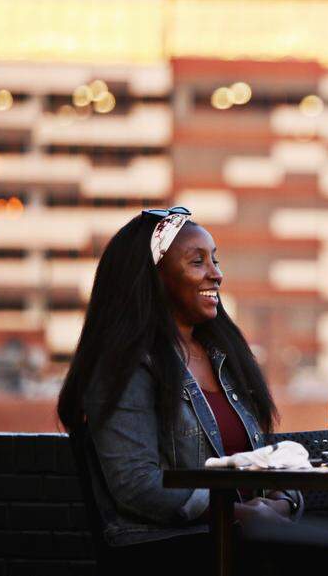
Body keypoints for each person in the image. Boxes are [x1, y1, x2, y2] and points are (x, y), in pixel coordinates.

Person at [56, 207, 302, 565]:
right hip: (172, 547)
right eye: (197, 262)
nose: (216, 274)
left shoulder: (225, 357)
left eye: (215, 260)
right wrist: (237, 515)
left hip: (240, 539)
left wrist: (282, 502)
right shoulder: (124, 363)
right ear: (153, 276)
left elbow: (259, 457)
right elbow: (136, 484)